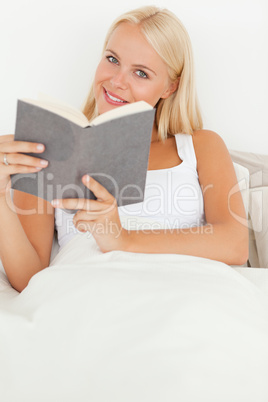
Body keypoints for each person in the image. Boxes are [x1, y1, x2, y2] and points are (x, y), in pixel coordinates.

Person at [0, 6, 248, 292]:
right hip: (86, 298)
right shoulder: (48, 147)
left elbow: (236, 244)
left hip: (182, 296)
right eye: (112, 59)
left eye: (141, 73)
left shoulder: (199, 146)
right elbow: (28, 279)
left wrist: (122, 238)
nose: (117, 81)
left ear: (170, 87)